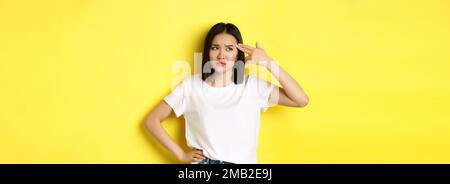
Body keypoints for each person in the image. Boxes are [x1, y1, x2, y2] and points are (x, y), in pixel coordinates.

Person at [145, 22, 309, 164]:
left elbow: (301, 100)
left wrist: (268, 62)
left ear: (238, 54)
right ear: (207, 52)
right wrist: (181, 155)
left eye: (229, 49)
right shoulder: (191, 86)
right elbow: (152, 120)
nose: (221, 55)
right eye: (215, 48)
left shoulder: (252, 86)